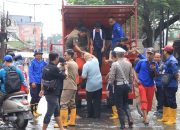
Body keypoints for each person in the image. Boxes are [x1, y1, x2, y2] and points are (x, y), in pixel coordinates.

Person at [40, 52, 67, 130]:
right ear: (56, 58)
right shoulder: (55, 68)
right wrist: (66, 68)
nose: (59, 59)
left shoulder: (46, 67)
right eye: (58, 57)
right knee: (49, 112)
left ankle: (61, 128)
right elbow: (65, 76)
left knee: (56, 111)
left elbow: (42, 79)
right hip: (52, 93)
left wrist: (42, 89)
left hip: (48, 92)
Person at [108, 47, 133, 129]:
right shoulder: (129, 63)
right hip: (126, 86)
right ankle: (130, 118)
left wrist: (109, 87)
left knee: (119, 106)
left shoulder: (115, 64)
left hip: (118, 86)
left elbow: (111, 77)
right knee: (126, 103)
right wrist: (130, 86)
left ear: (117, 54)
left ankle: (123, 125)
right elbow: (131, 77)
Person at [135, 47, 159, 125]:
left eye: (151, 54)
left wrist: (154, 69)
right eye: (148, 53)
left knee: (149, 102)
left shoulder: (155, 64)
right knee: (144, 100)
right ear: (146, 54)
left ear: (153, 55)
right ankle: (146, 118)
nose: (149, 55)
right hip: (141, 84)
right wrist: (137, 79)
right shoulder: (141, 62)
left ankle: (145, 115)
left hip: (151, 85)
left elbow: (156, 76)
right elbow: (135, 71)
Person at [158, 45, 179, 125]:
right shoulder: (167, 60)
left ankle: (172, 119)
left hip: (171, 85)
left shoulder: (172, 60)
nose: (163, 52)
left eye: (164, 50)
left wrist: (176, 80)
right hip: (166, 84)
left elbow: (176, 73)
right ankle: (165, 117)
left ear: (166, 51)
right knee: (165, 100)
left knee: (171, 101)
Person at [60, 49, 78, 127]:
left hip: (68, 86)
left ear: (70, 56)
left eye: (65, 55)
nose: (64, 56)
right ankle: (72, 121)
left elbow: (58, 68)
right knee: (72, 104)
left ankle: (63, 123)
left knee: (63, 103)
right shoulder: (75, 63)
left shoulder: (68, 64)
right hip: (73, 86)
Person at [82, 52, 102, 118]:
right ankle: (97, 115)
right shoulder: (95, 61)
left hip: (90, 86)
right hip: (99, 84)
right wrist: (89, 54)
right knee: (97, 100)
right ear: (90, 56)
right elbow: (94, 57)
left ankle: (90, 114)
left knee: (89, 101)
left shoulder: (86, 65)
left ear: (84, 58)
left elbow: (83, 76)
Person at [29, 49, 47, 118]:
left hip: (41, 82)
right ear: (35, 55)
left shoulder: (44, 63)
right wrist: (32, 81)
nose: (39, 55)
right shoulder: (32, 62)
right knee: (34, 97)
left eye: (40, 54)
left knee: (39, 97)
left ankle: (35, 111)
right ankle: (32, 112)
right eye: (37, 54)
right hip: (34, 82)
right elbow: (30, 73)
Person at [106, 51, 118, 119]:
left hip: (113, 84)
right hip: (117, 84)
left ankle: (116, 114)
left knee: (112, 99)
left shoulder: (114, 64)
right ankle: (116, 113)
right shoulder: (118, 63)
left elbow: (111, 75)